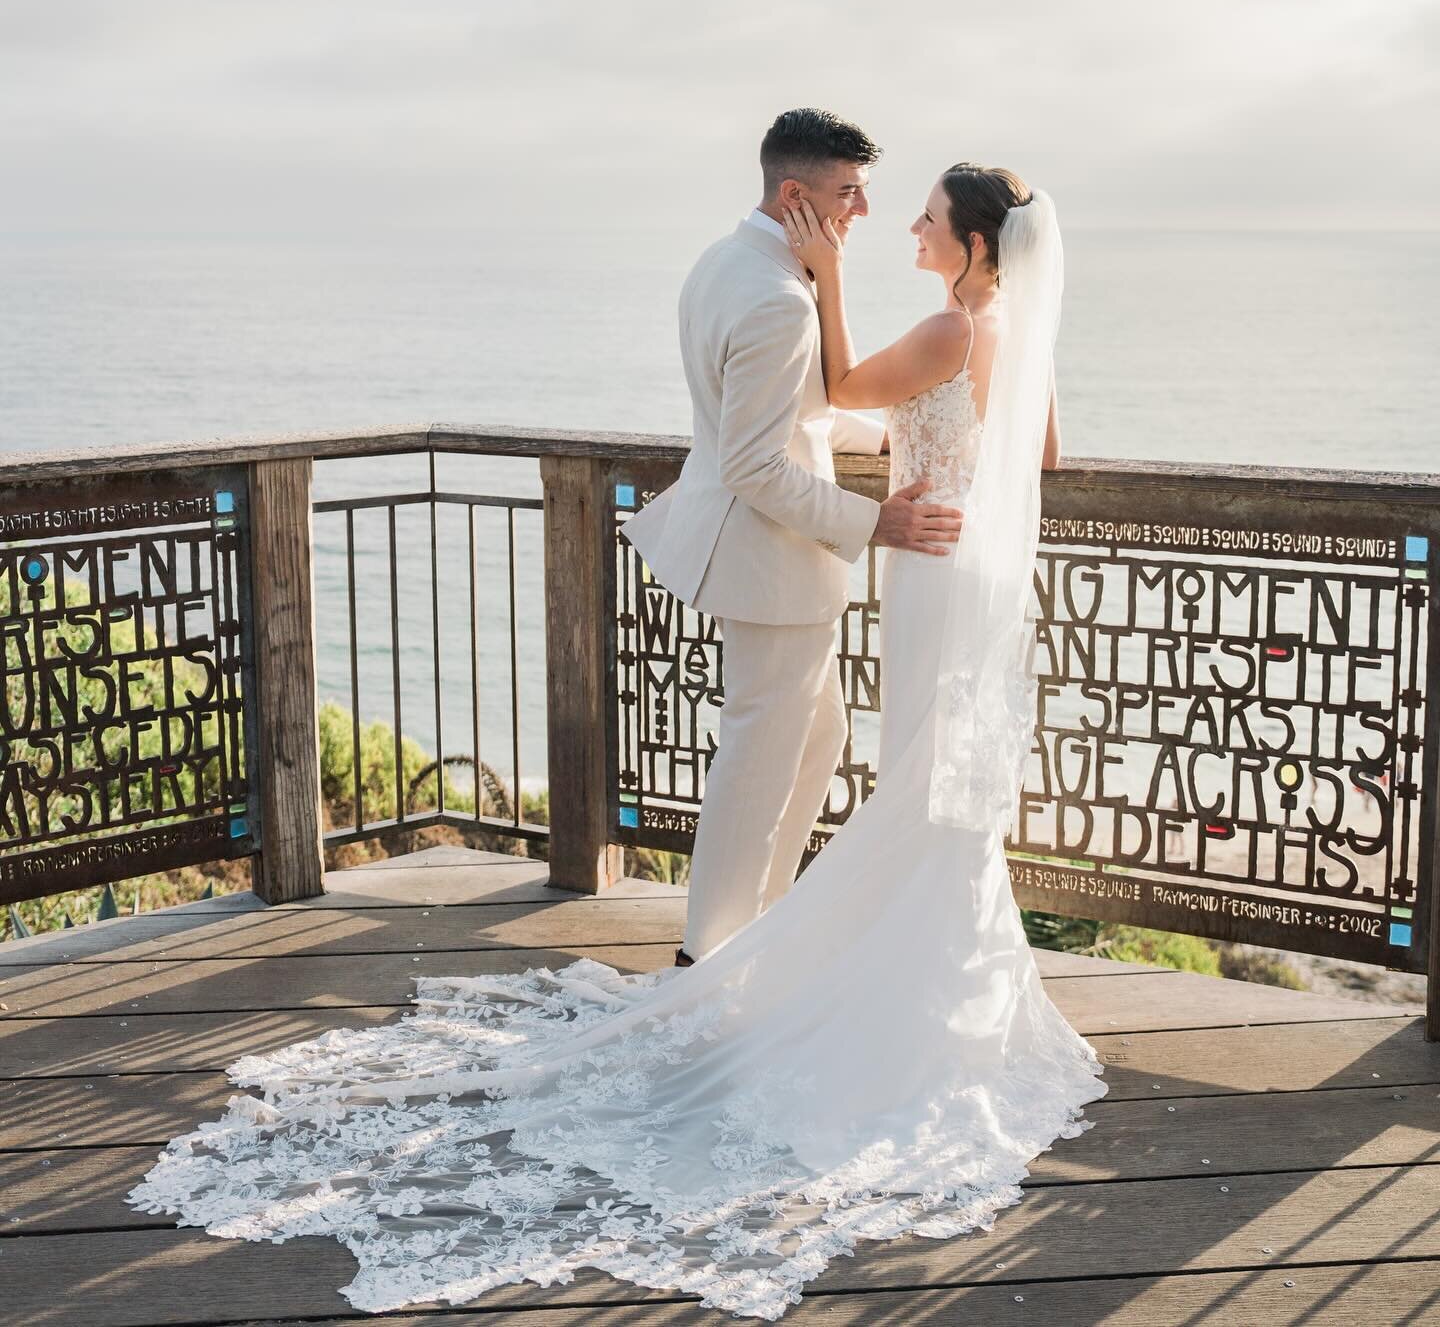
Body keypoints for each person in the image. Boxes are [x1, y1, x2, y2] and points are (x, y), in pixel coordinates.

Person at [127, 142, 1108, 1322]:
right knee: (921, 784)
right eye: (871, 199)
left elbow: (844, 389)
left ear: (979, 246)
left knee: (887, 772)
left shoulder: (935, 325)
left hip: (924, 563)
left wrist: (851, 331)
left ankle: (789, 971)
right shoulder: (1012, 330)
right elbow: (1039, 453)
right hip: (977, 568)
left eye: (926, 218)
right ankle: (902, 985)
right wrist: (944, 457)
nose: (900, 224)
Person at [620, 108, 965, 964]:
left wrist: (893, 438)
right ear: (795, 192)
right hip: (767, 564)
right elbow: (753, 463)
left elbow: (786, 413)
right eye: (850, 192)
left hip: (754, 554)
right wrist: (876, 519)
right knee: (755, 766)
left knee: (818, 739)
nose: (863, 212)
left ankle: (761, 928)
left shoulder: (727, 261)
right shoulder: (779, 299)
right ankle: (708, 958)